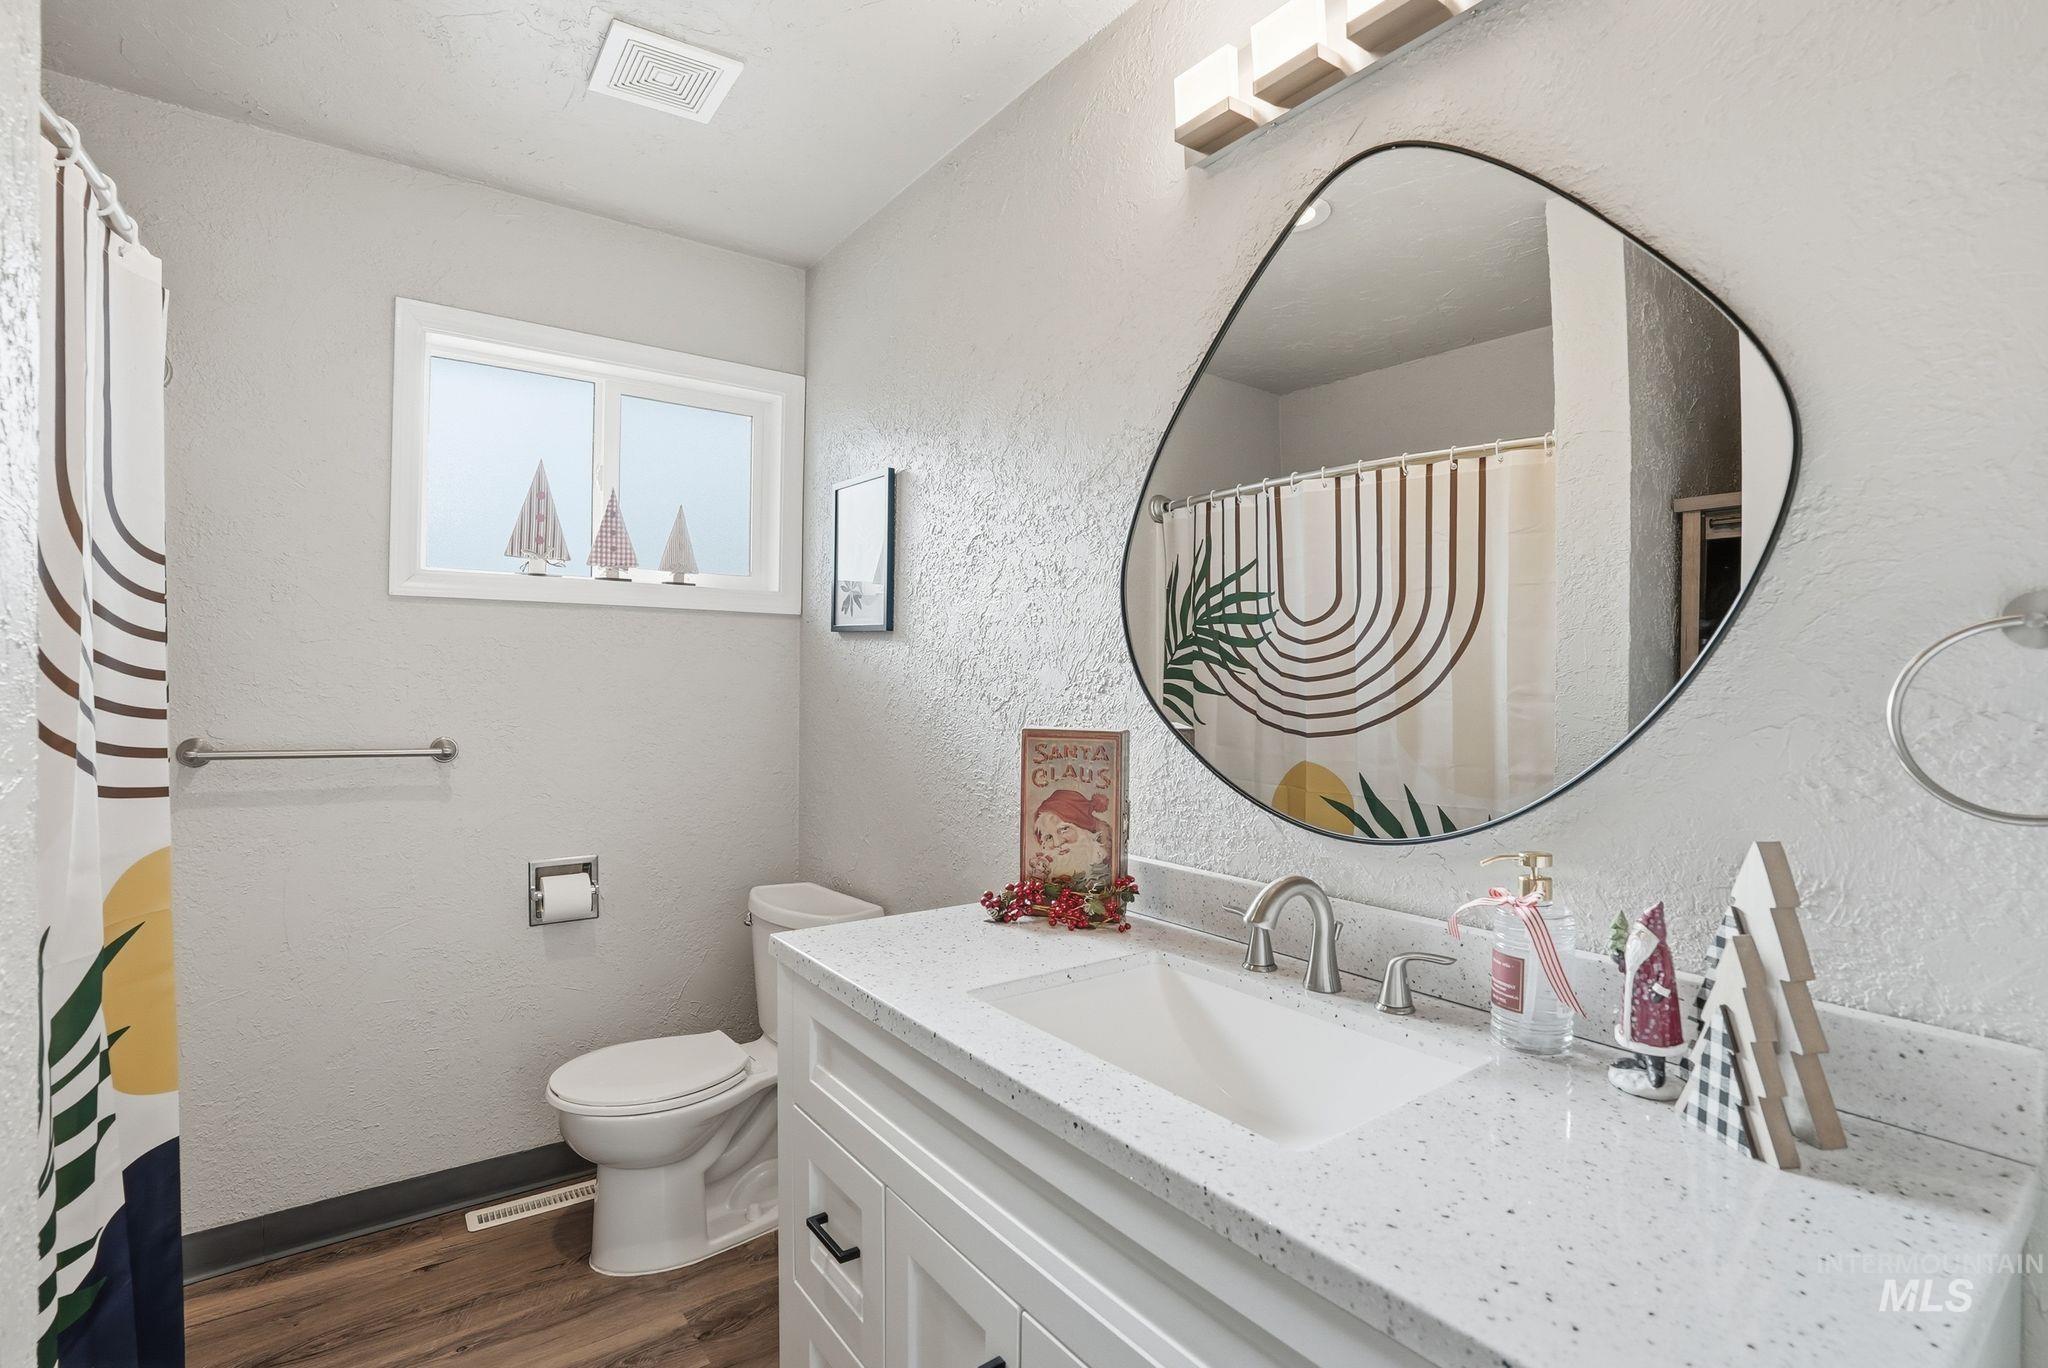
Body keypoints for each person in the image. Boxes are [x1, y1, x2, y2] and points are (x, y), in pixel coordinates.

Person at [1027, 789, 1112, 885]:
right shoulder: (1042, 876)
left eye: (1064, 829)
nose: (1057, 843)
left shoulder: (1106, 874)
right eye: (1049, 837)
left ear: (1084, 828)